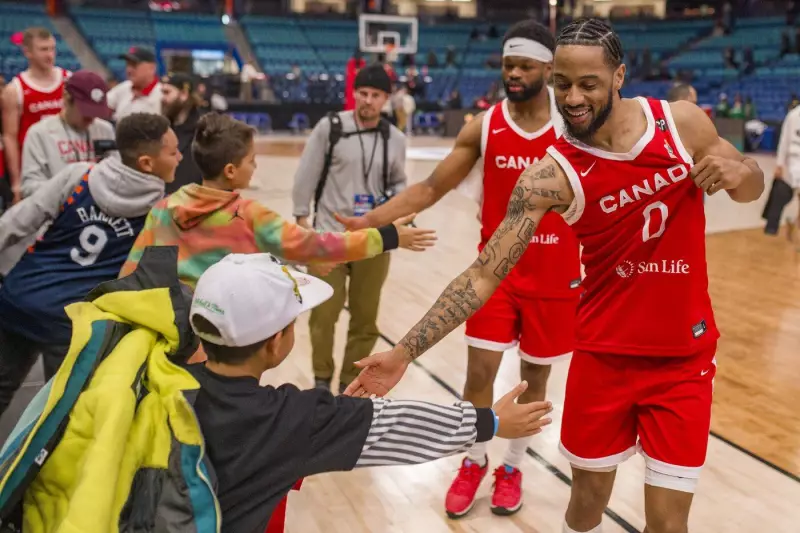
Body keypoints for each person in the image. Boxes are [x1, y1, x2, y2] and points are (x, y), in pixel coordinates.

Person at [345, 17, 765, 533]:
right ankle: (482, 463)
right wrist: (403, 352)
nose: (572, 98)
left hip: (684, 361)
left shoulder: (682, 124)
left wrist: (741, 173)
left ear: (618, 76)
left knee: (668, 522)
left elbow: (751, 181)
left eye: (587, 84)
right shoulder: (550, 174)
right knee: (585, 508)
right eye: (562, 83)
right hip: (603, 358)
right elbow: (482, 274)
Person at [335, 21, 582, 518]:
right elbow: (429, 189)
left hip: (557, 277)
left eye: (524, 65)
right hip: (493, 277)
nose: (513, 73)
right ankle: (472, 459)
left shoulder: (574, 125)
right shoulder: (485, 125)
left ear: (548, 69)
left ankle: (513, 466)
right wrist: (369, 221)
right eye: (508, 64)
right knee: (479, 377)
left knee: (535, 383)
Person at [186, 252, 555, 532]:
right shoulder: (293, 419)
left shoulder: (162, 383)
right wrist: (489, 422)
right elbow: (398, 426)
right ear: (275, 342)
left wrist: (341, 418)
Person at [119, 112, 434, 291]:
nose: (255, 167)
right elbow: (322, 245)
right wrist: (390, 235)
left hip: (170, 336)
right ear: (231, 170)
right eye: (251, 161)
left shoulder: (163, 210)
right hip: (221, 343)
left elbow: (131, 274)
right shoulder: (249, 216)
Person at [0, 112, 180, 416]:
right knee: (58, 420)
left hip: (20, 296)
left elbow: (15, 222)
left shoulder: (79, 175)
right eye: (173, 151)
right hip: (71, 324)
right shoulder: (159, 211)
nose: (180, 157)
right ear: (147, 163)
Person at [291, 64, 418, 395]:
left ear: (387, 99)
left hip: (373, 241)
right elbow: (306, 173)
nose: (368, 101)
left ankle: (349, 384)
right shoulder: (330, 127)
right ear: (354, 94)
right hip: (329, 238)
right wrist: (302, 219)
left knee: (365, 319)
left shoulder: (395, 138)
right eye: (363, 93)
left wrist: (402, 216)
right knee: (323, 315)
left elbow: (399, 185)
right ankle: (320, 381)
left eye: (376, 95)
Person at [1, 27, 70, 205]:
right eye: (43, 49)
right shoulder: (14, 90)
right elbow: (10, 137)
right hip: (34, 171)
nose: (50, 55)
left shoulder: (68, 81)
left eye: (52, 48)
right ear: (28, 52)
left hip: (66, 165)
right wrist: (16, 183)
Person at [21, 70, 115, 198]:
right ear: (66, 98)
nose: (92, 117)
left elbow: (116, 175)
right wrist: (68, 190)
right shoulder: (40, 133)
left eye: (96, 111)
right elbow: (29, 187)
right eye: (86, 111)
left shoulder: (105, 129)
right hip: (58, 211)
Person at [160, 72, 204, 194]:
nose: (162, 98)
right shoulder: (163, 128)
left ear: (184, 94)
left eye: (167, 92)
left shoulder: (204, 130)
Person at [107, 46, 162, 121]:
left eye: (134, 65)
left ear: (151, 68)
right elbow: (102, 106)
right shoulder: (124, 87)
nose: (129, 70)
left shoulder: (161, 94)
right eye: (127, 64)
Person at [775, 100, 800, 248]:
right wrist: (779, 163)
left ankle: (792, 221)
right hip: (795, 161)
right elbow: (784, 140)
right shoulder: (793, 116)